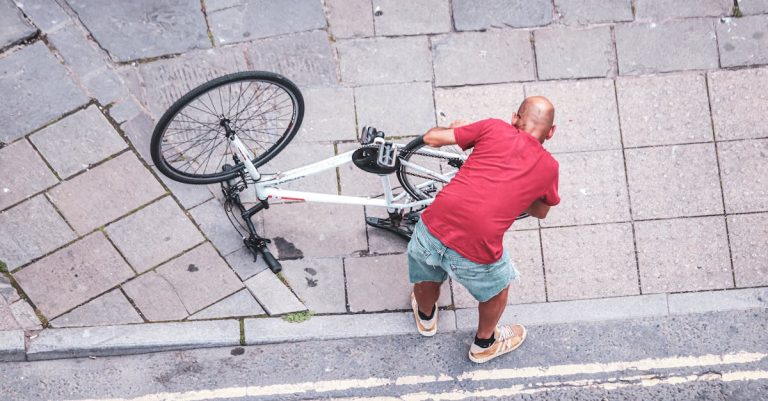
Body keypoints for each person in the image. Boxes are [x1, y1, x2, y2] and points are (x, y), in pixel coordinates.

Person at [408, 96, 559, 363]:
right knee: (497, 289)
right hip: (477, 248)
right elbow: (540, 211)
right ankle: (484, 344)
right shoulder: (549, 167)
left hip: (433, 225)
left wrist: (461, 128)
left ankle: (426, 316)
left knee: (427, 272)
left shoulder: (494, 128)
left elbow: (431, 139)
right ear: (551, 132)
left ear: (514, 118)